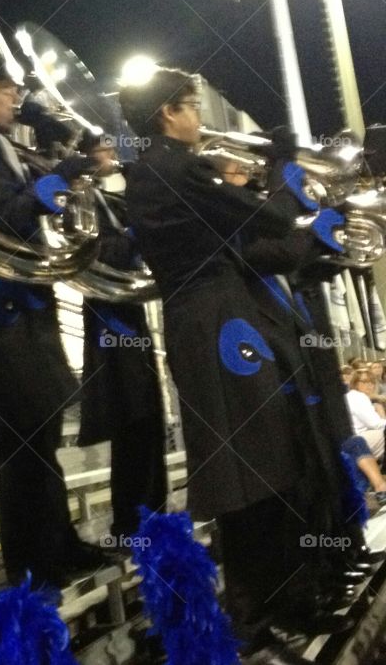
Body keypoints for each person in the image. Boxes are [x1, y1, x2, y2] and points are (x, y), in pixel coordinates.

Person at [119, 68, 351, 664]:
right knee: (247, 473)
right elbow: (264, 220)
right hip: (216, 324)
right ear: (168, 113)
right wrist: (286, 176)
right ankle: (252, 619)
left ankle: (282, 604)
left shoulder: (159, 170)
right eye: (192, 106)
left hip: (219, 320)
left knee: (271, 463)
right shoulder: (172, 168)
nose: (200, 118)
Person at [0, 73, 113, 590]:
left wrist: (72, 159)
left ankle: (58, 543)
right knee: (23, 440)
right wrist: (63, 173)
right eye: (6, 92)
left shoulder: (7, 146)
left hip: (28, 298)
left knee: (41, 435)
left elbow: (36, 195)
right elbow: (4, 211)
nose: (16, 99)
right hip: (7, 303)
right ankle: (33, 563)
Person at [75, 131, 167, 544]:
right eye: (104, 150)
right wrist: (131, 235)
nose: (112, 155)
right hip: (109, 317)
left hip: (127, 311)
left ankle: (153, 511)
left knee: (147, 417)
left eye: (112, 148)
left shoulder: (109, 197)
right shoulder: (84, 198)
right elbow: (95, 252)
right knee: (132, 418)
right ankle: (132, 519)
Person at [347, 369, 386, 461]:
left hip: (355, 438)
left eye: (372, 382)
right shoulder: (358, 397)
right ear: (355, 383)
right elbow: (375, 424)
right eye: (364, 382)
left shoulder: (353, 395)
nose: (370, 385)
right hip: (357, 439)